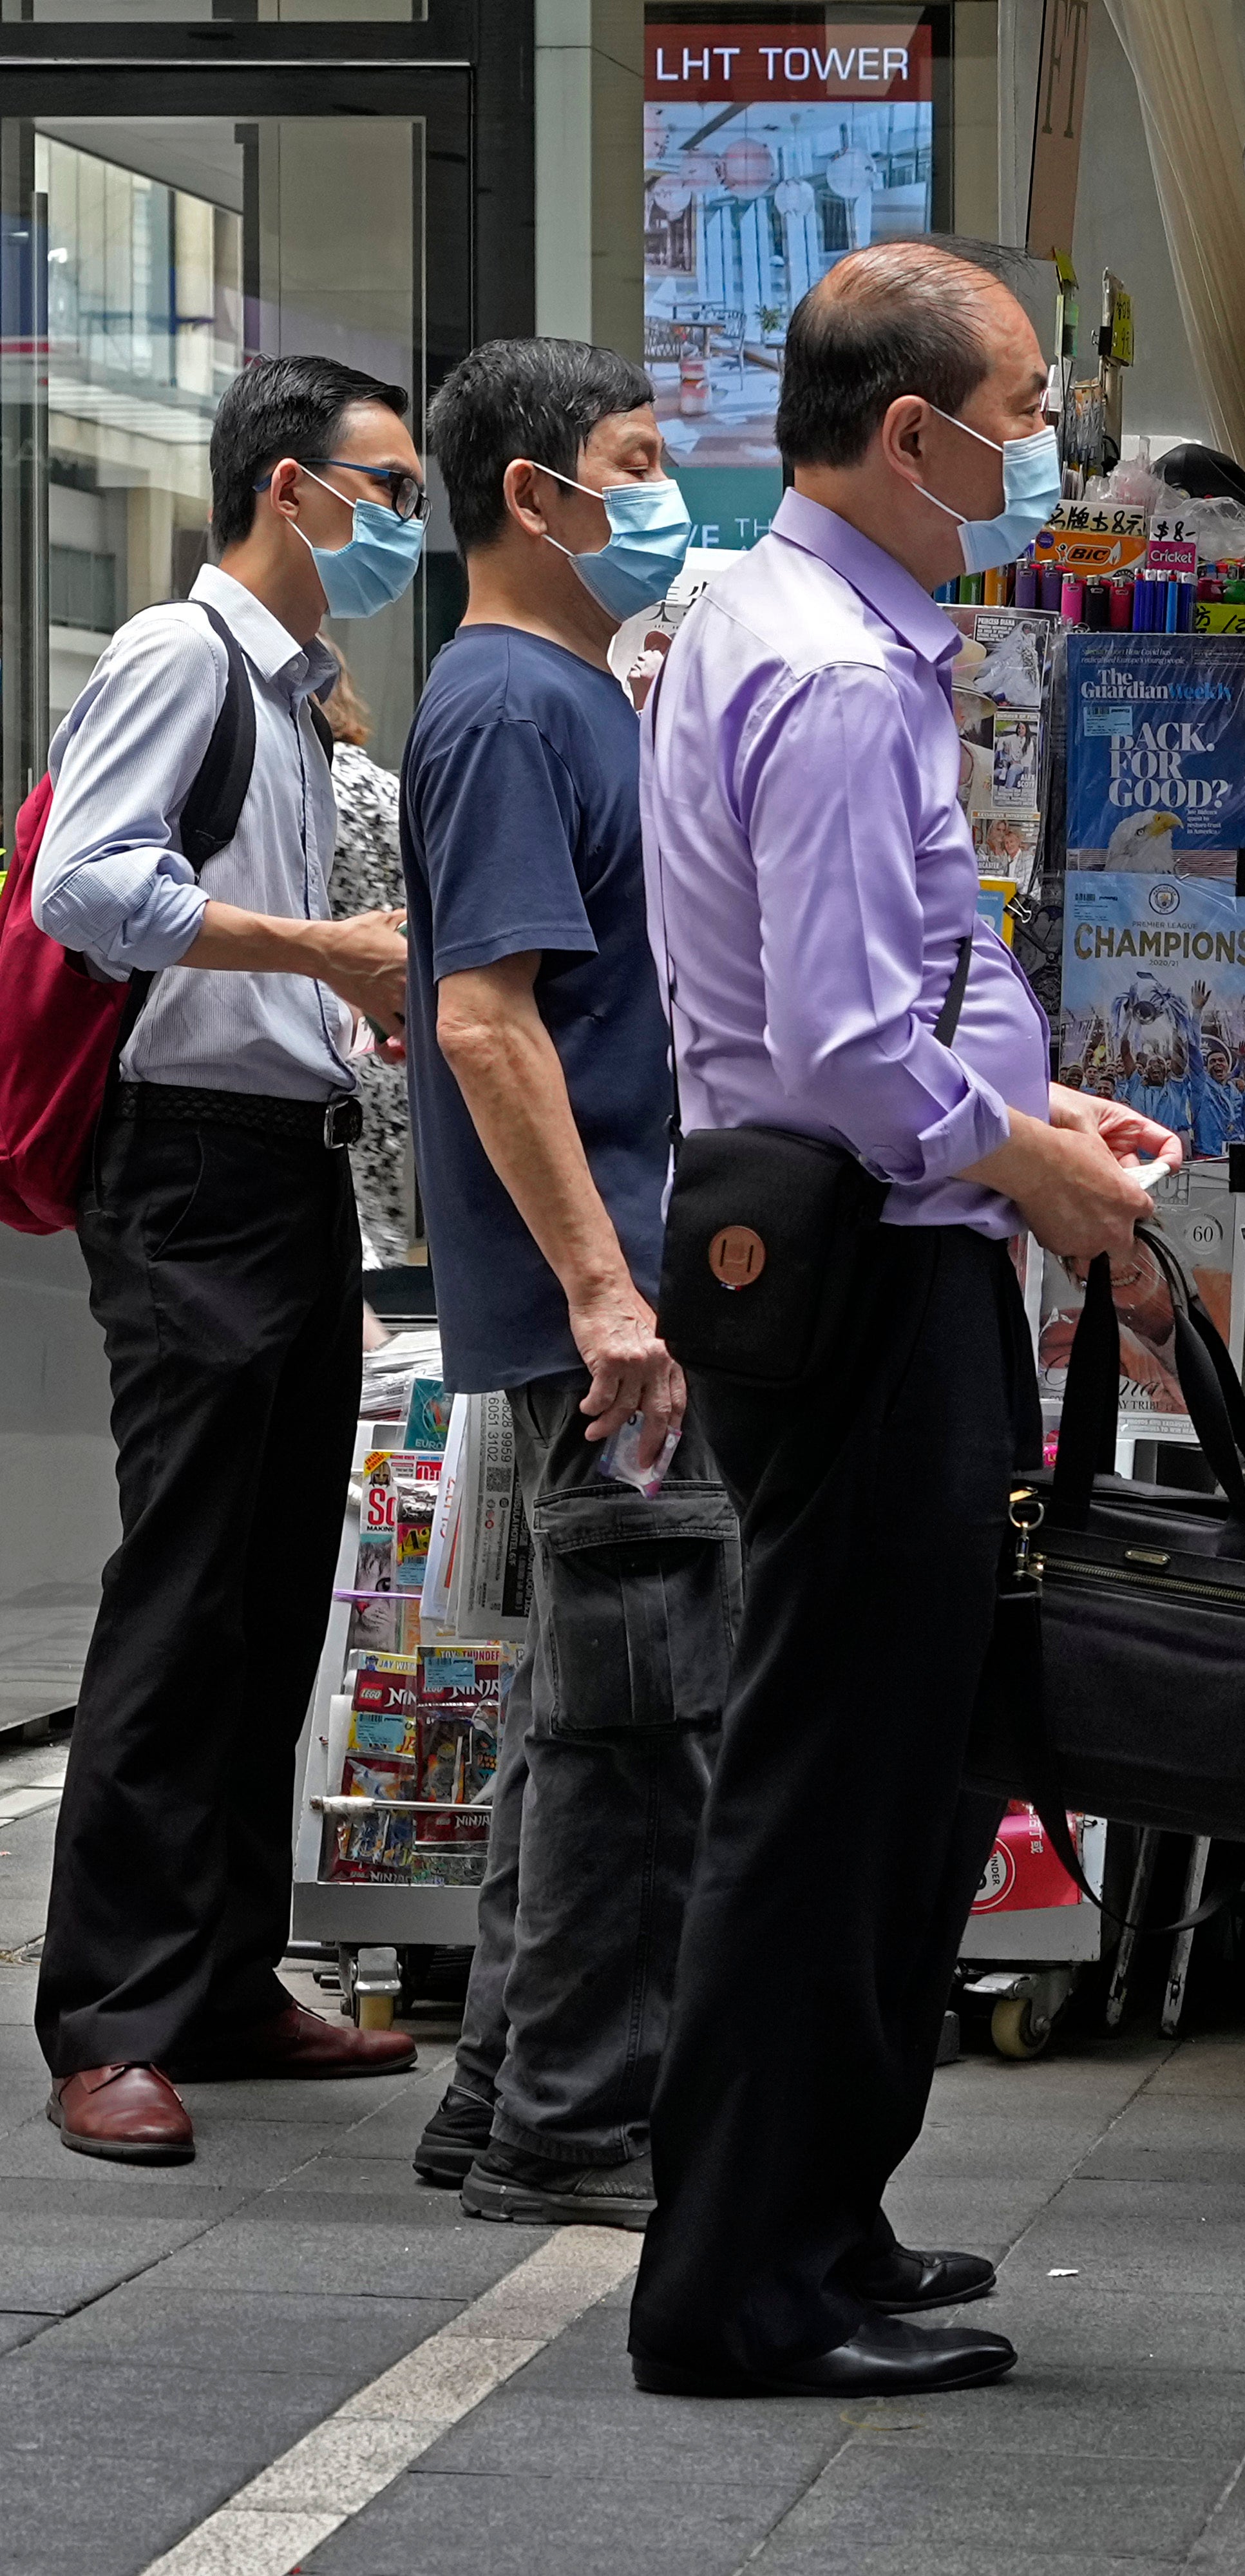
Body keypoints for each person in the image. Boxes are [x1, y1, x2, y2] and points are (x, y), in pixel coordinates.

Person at [629, 234, 1167, 2398]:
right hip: (865, 1258)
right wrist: (1049, 1172)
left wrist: (1028, 1107)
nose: (1047, 456)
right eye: (1027, 418)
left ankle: (819, 2214)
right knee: (839, 1778)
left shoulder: (772, 619)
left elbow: (862, 1007)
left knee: (897, 1766)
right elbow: (854, 1045)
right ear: (916, 431)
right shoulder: (842, 674)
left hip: (860, 1229)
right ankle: (742, 2282)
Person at [29, 354, 427, 2164]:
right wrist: (324, 953)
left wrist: (340, 1003)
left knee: (275, 1583)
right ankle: (110, 2010)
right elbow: (83, 887)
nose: (404, 523)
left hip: (281, 1163)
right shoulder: (175, 657)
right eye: (387, 487)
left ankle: (222, 1975)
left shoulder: (289, 693)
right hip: (183, 1169)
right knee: (186, 1582)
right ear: (290, 485)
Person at [390, 337, 728, 2234]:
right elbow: (483, 1019)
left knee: (584, 1706)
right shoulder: (512, 705)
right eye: (637, 459)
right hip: (607, 1312)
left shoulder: (565, 688)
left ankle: (507, 2091)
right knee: (634, 1720)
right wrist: (609, 1295)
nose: (664, 493)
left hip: (615, 1290)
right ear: (536, 494)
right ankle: (573, 2131)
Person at [312, 645, 416, 1268]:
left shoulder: (305, 786)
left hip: (320, 1027)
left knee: (331, 1226)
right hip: (390, 1036)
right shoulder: (392, 789)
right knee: (376, 1211)